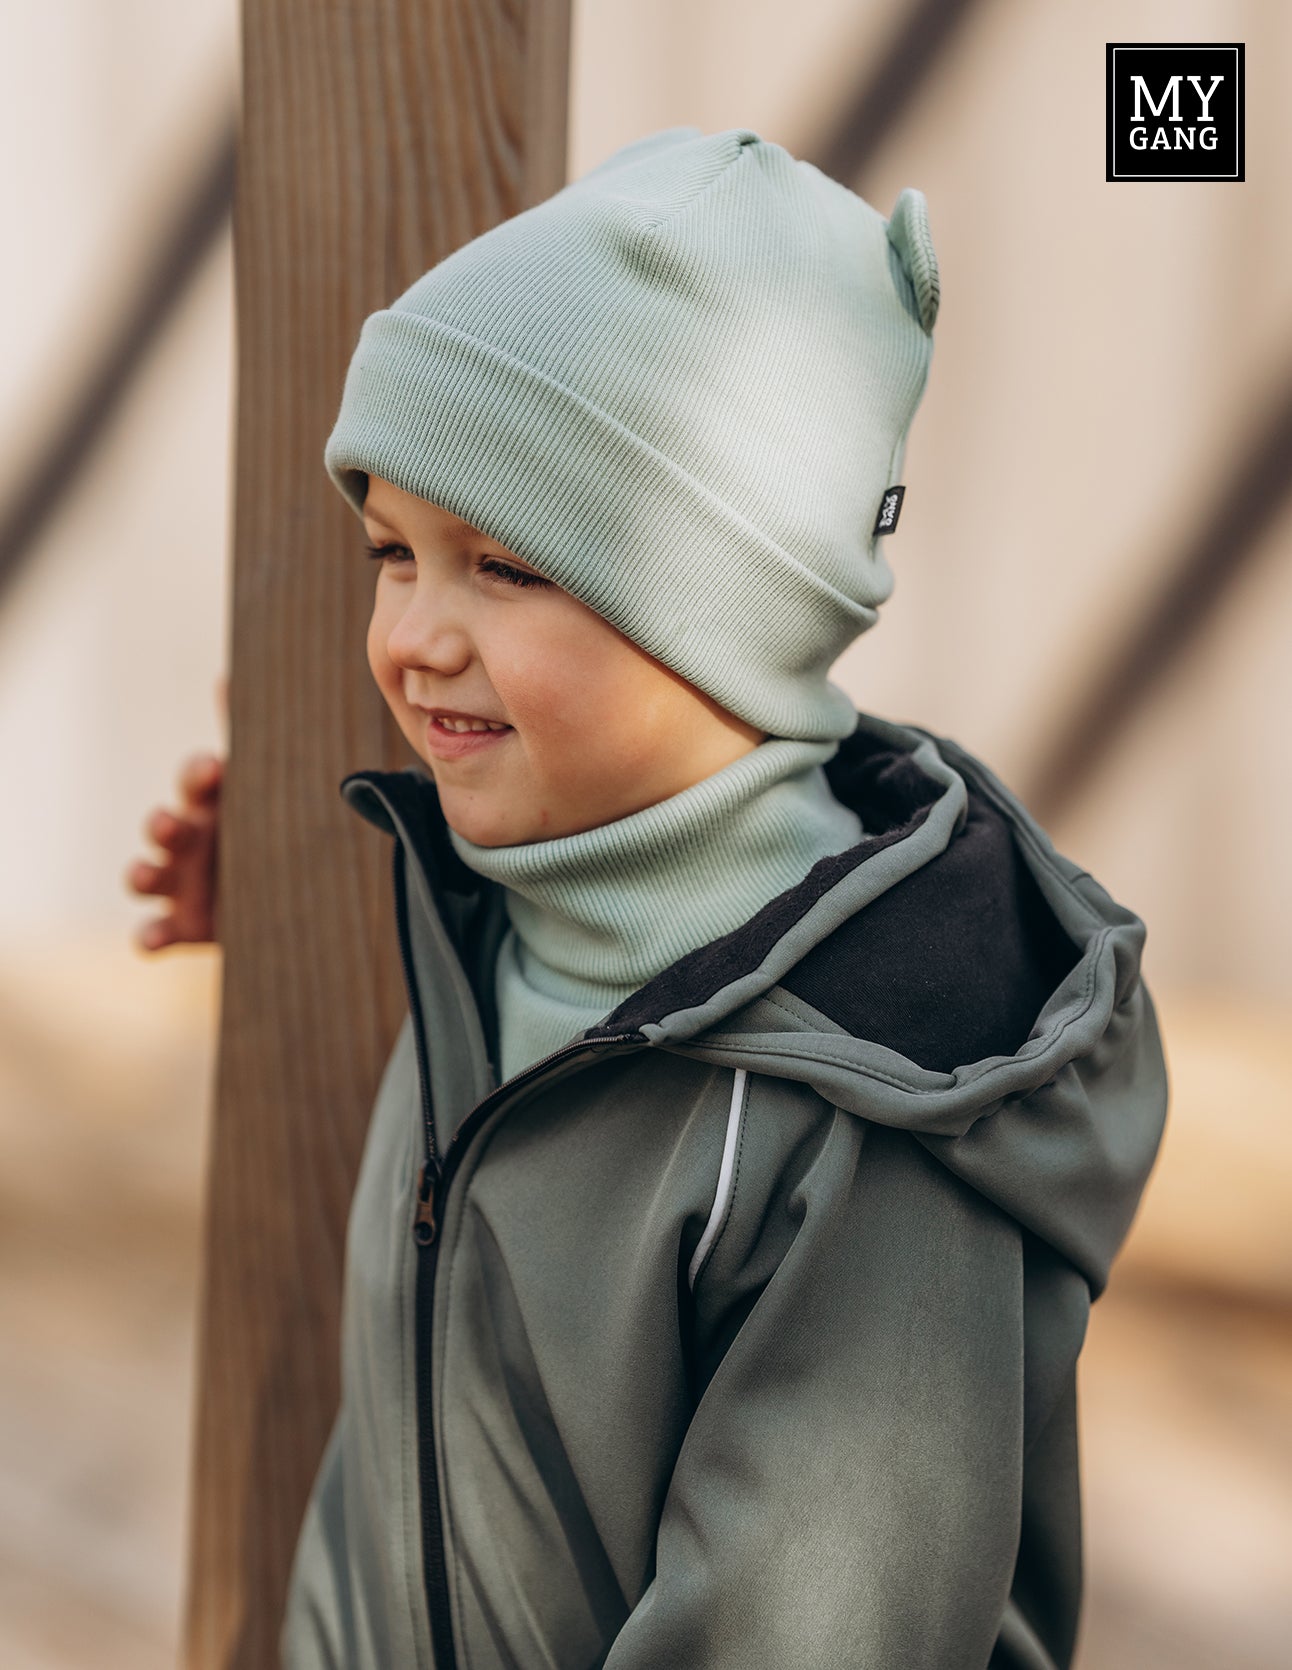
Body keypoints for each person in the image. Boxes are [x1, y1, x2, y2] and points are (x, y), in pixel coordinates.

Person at [125, 125, 1169, 1670]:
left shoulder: (867, 1120)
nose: (414, 633)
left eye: (504, 565)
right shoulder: (507, 913)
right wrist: (309, 909)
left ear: (723, 613)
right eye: (389, 550)